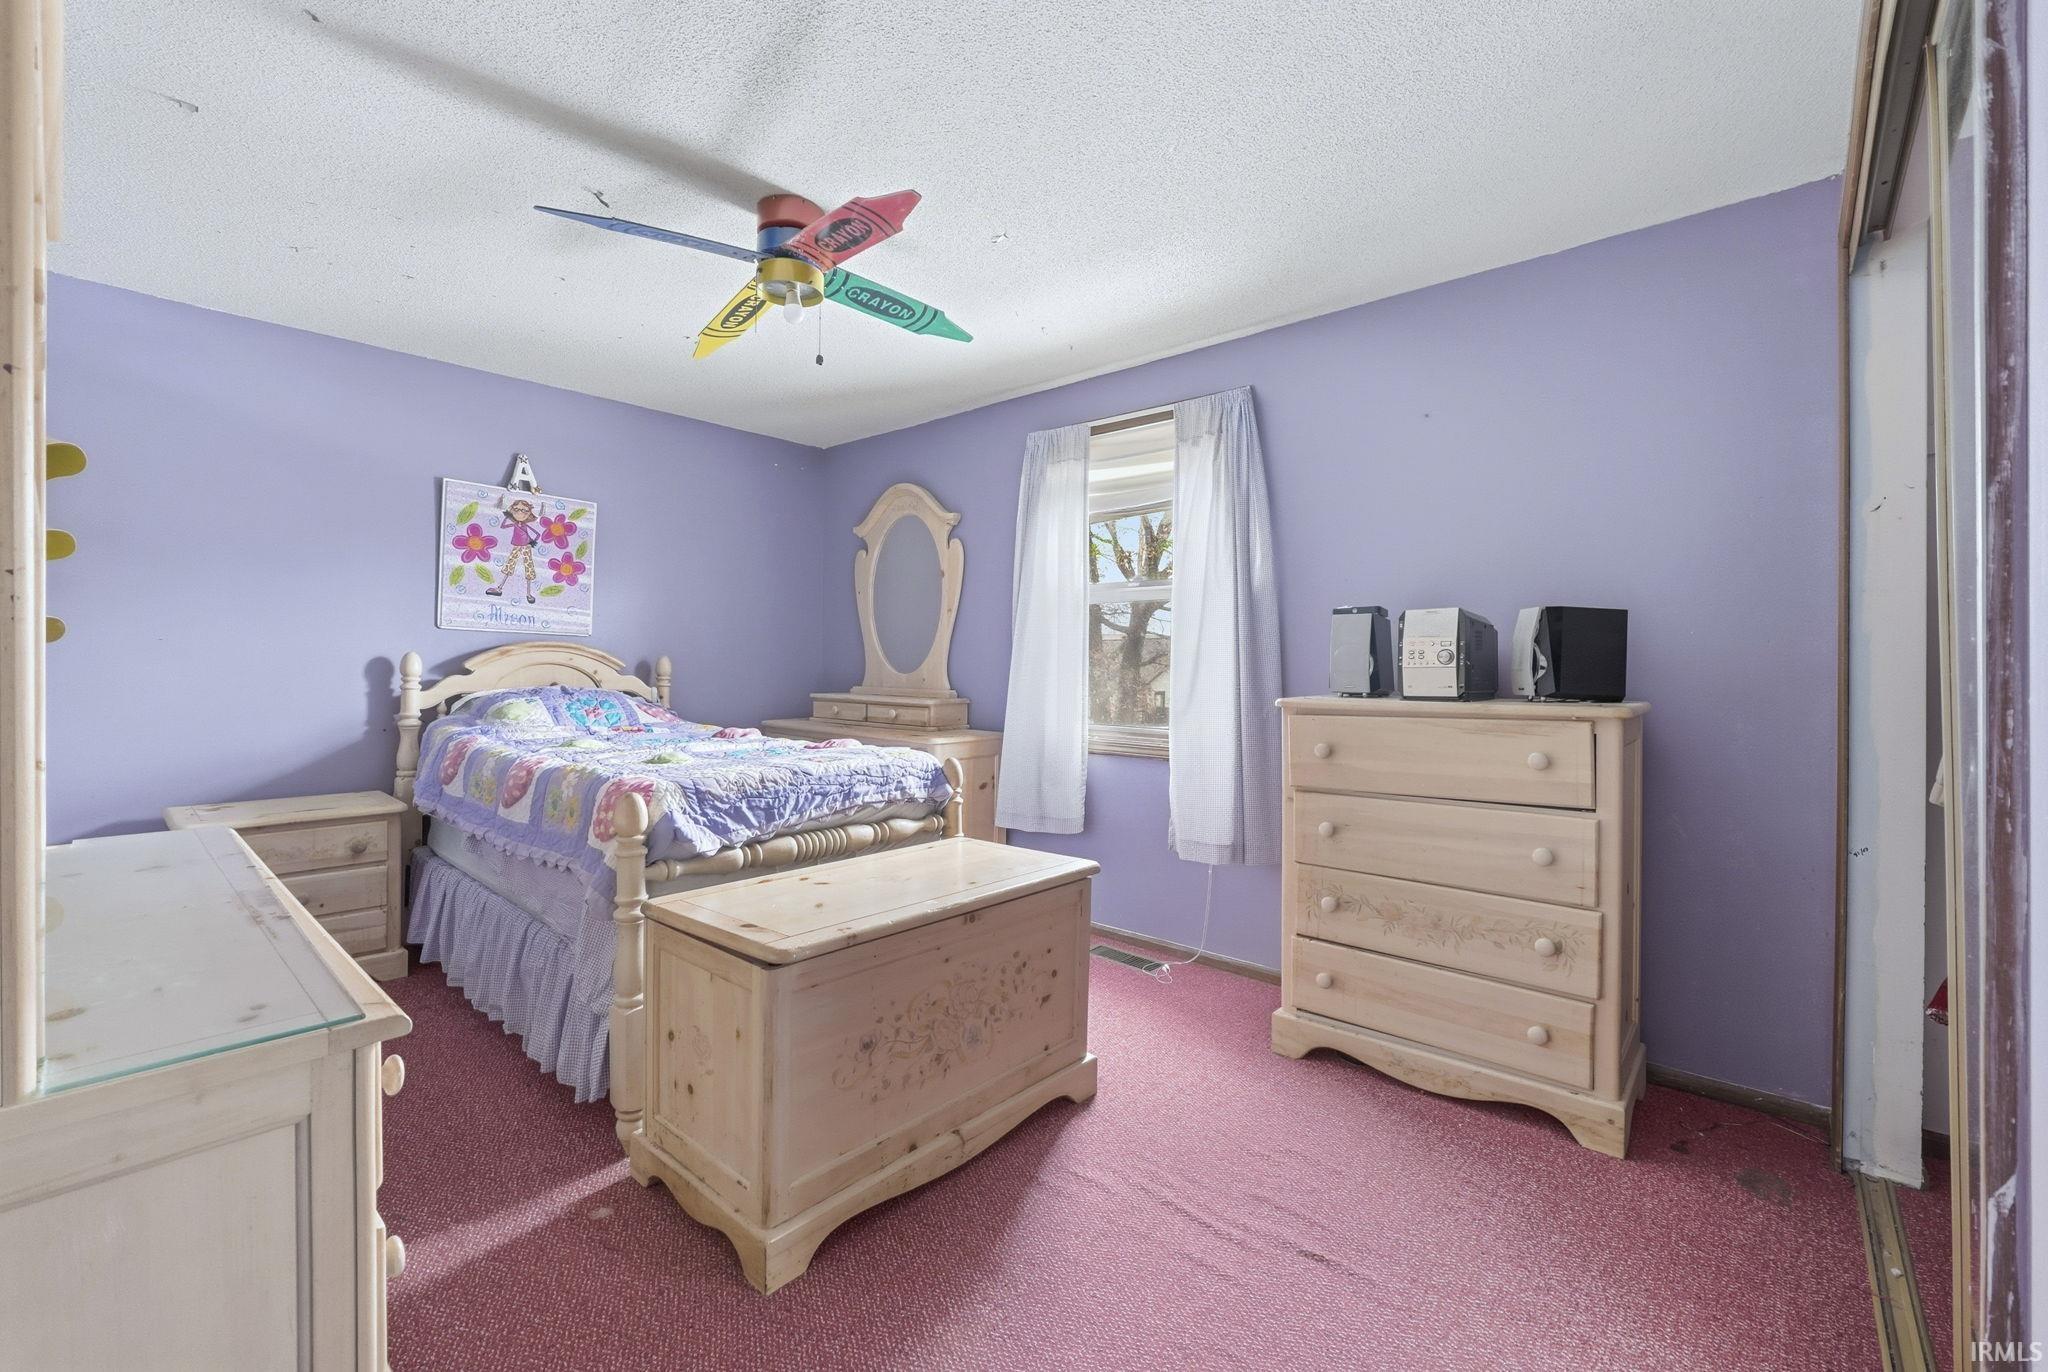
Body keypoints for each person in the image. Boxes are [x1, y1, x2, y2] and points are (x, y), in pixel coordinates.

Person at [486, 498, 541, 603]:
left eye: (524, 510)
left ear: (529, 513)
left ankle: (528, 593)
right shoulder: (515, 524)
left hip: (526, 546)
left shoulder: (525, 525)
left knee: (528, 567)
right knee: (510, 564)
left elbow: (537, 534)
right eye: (516, 510)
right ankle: (499, 588)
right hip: (517, 546)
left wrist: (532, 542)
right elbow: (503, 526)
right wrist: (508, 517)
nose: (520, 512)